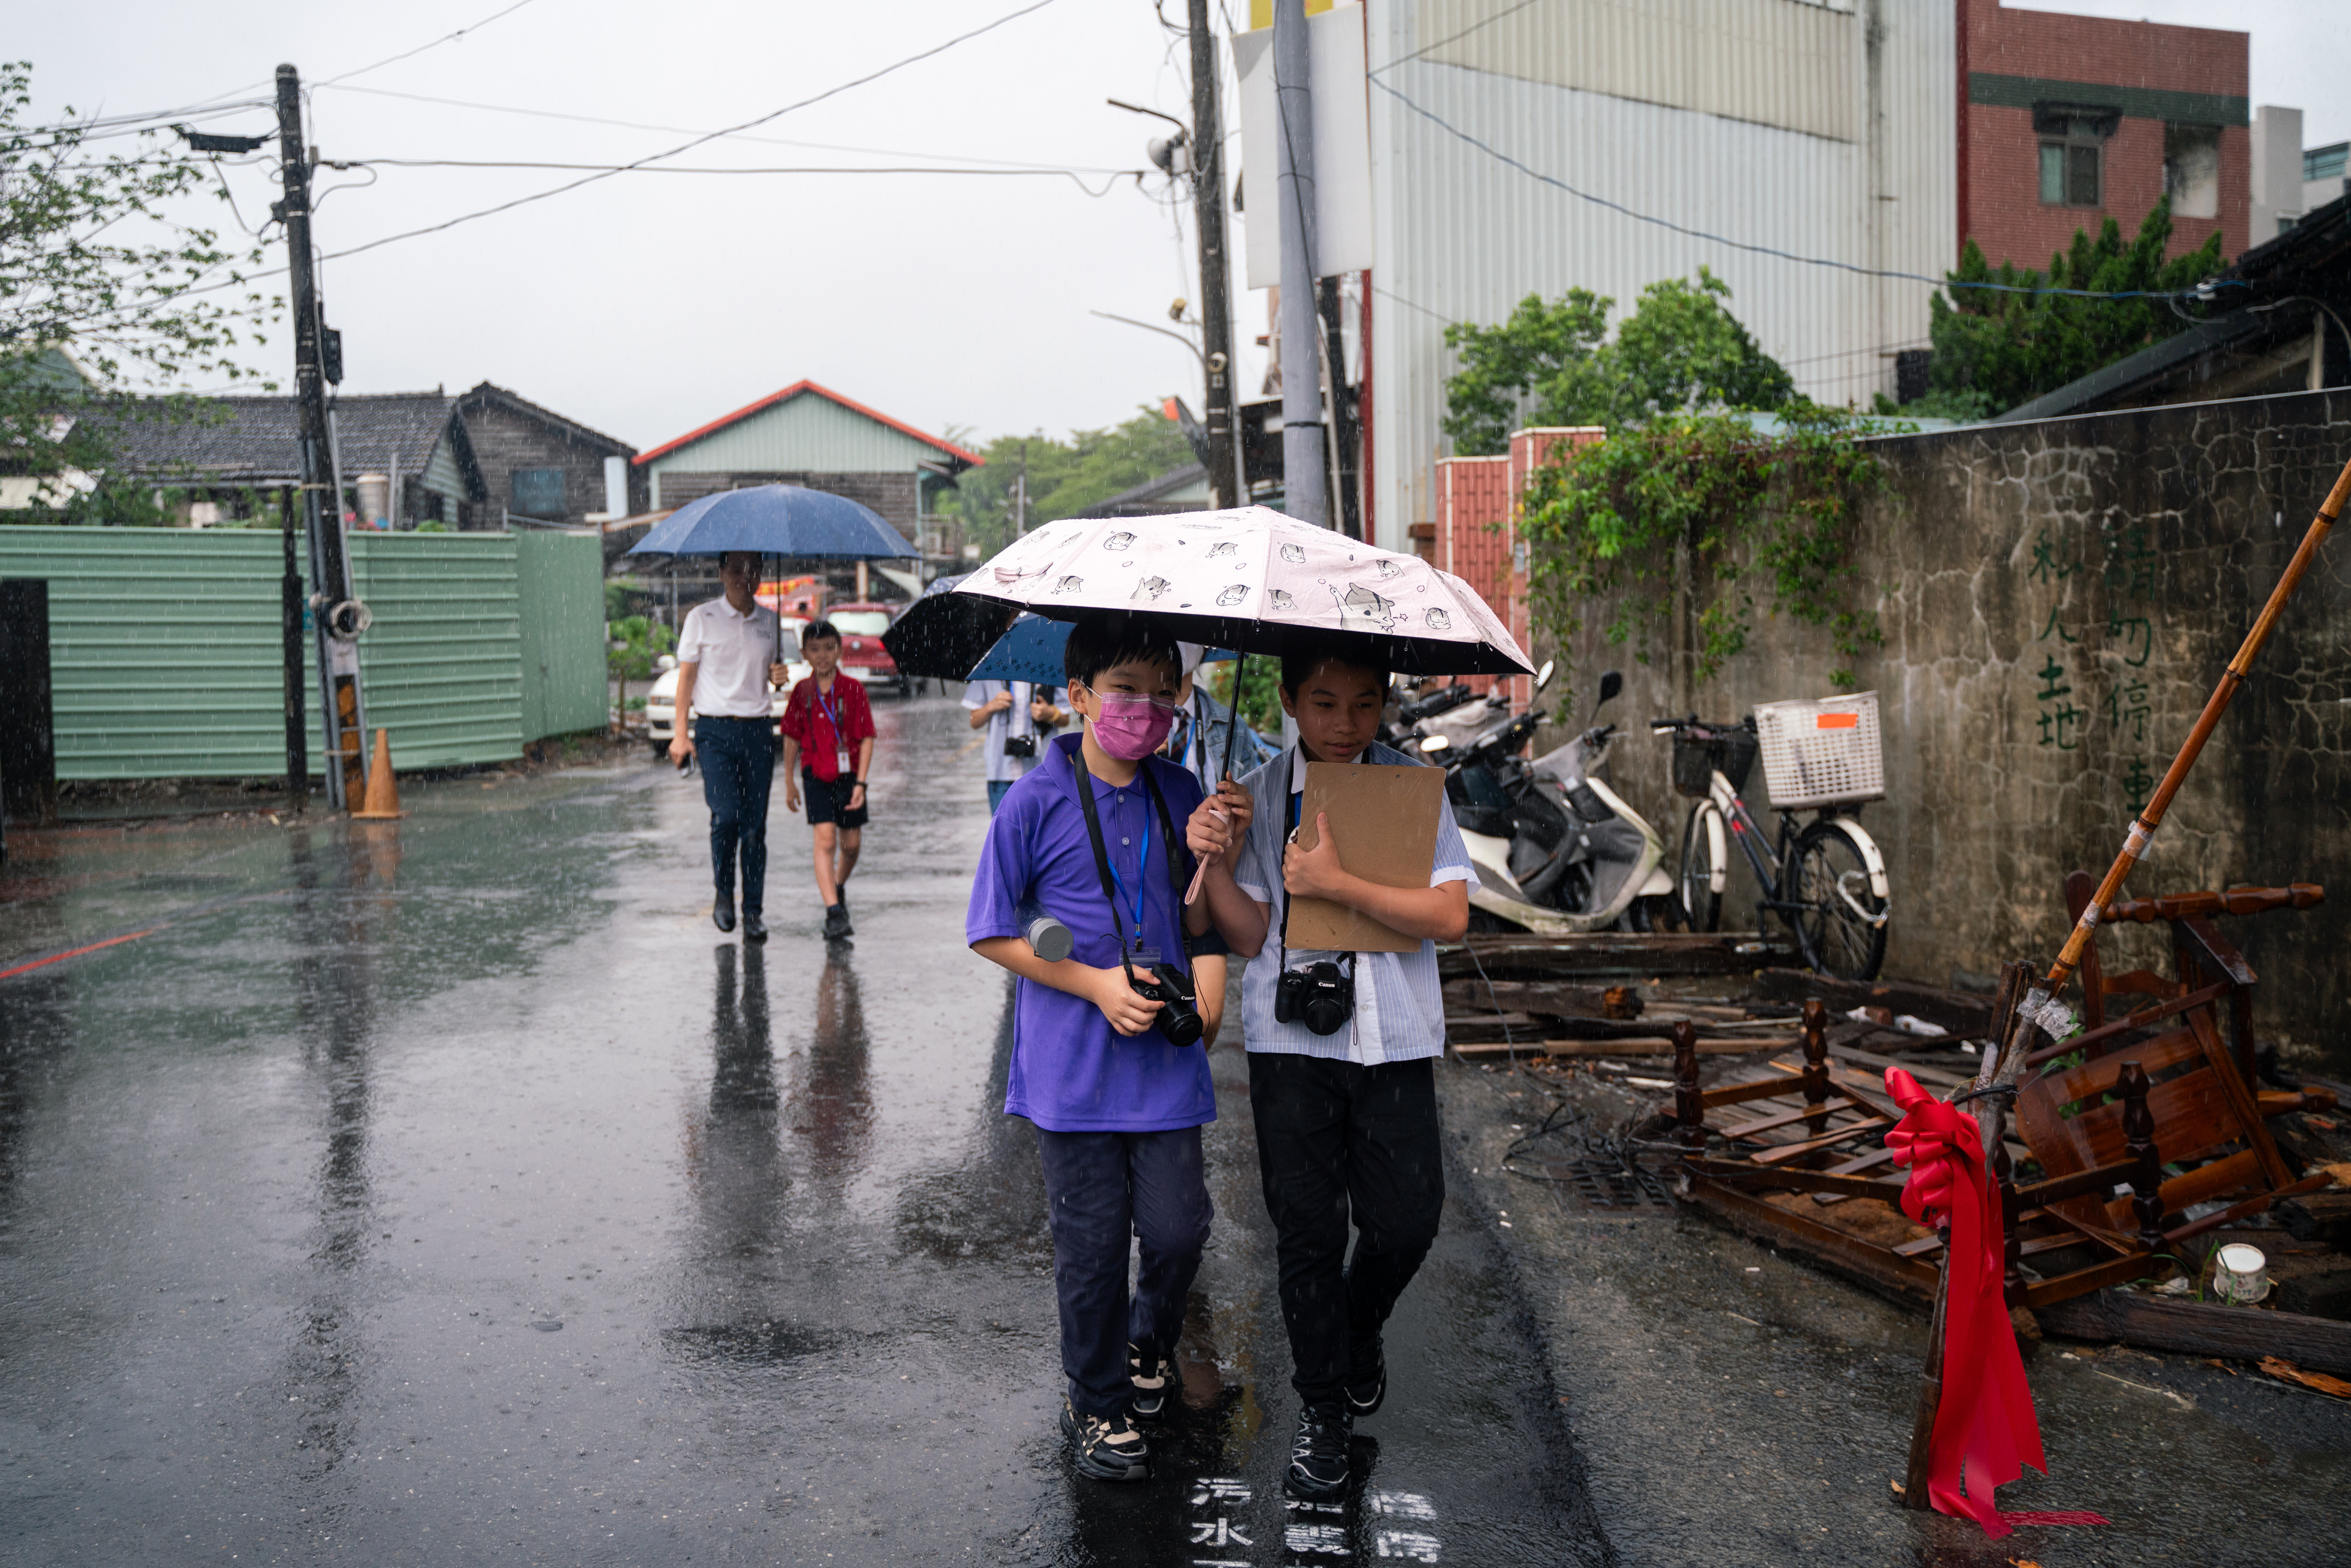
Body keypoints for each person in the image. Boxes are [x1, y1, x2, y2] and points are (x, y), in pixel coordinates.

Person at [964, 611, 1253, 1483]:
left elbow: (1200, 919)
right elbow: (988, 931)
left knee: (1176, 1230)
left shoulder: (1180, 793)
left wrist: (1222, 854)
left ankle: (1146, 1342)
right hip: (1070, 1073)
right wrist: (1092, 984)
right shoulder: (1034, 800)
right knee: (1090, 1247)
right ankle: (1095, 1401)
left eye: (1165, 695)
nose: (1148, 710)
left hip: (1165, 1061)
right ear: (1081, 697)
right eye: (1127, 692)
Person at [1191, 643, 1475, 1503]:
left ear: (1384, 702)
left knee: (1406, 1222)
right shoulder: (1259, 792)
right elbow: (1244, 936)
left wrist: (1338, 883)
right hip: (1292, 1051)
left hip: (1394, 1041)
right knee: (1307, 1237)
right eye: (1322, 704)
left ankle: (1361, 1325)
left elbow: (1450, 914)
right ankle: (1321, 1414)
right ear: (1286, 700)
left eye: (1362, 705)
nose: (1344, 725)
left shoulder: (1410, 789)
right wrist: (1214, 854)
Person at [668, 550, 793, 941]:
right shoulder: (701, 618)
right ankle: (724, 892)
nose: (745, 577)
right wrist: (680, 734)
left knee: (755, 828)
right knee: (726, 817)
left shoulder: (770, 623)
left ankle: (753, 910)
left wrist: (778, 678)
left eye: (753, 570)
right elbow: (686, 679)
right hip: (714, 732)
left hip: (757, 732)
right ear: (721, 572)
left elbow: (774, 681)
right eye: (736, 570)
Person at [780, 620, 877, 940]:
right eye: (815, 649)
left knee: (852, 845)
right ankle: (833, 912)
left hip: (848, 775)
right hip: (815, 774)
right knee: (825, 841)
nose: (822, 656)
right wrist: (790, 781)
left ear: (838, 649)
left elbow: (866, 737)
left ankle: (837, 885)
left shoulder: (853, 689)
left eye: (829, 648)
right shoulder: (802, 692)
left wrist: (861, 783)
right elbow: (791, 737)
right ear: (805, 653)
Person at [1161, 644, 1278, 799]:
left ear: (1204, 647)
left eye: (1190, 636)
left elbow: (1250, 803)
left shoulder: (1233, 726)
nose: (1180, 645)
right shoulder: (1136, 720)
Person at [963, 678, 1066, 813]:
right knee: (1004, 831)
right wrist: (991, 706)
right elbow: (974, 722)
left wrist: (1050, 713)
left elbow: (1065, 719)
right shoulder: (988, 670)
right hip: (1000, 770)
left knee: (1037, 832)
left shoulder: (1046, 667)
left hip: (1041, 770)